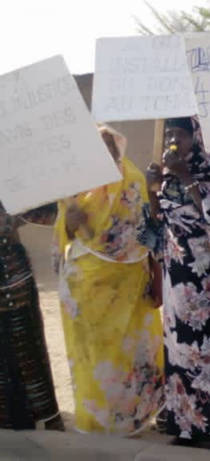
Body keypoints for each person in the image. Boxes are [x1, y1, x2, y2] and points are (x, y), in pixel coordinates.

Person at [138, 116, 210, 452]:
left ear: (196, 138)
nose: (173, 140)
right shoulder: (162, 174)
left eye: (180, 134)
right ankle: (187, 427)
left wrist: (187, 179)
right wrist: (151, 190)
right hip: (178, 278)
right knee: (180, 353)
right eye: (168, 134)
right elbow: (154, 230)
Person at [53, 125, 164, 436]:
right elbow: (61, 233)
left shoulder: (133, 180)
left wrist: (156, 274)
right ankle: (95, 423)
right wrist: (69, 226)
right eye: (98, 146)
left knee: (131, 353)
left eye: (110, 146)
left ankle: (132, 421)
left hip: (130, 286)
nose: (107, 153)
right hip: (86, 289)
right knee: (93, 356)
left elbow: (148, 231)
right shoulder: (75, 185)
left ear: (119, 147)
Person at [0, 201, 64, 432]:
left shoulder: (8, 180)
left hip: (15, 281)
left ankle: (47, 416)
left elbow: (48, 212)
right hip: (14, 279)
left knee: (29, 351)